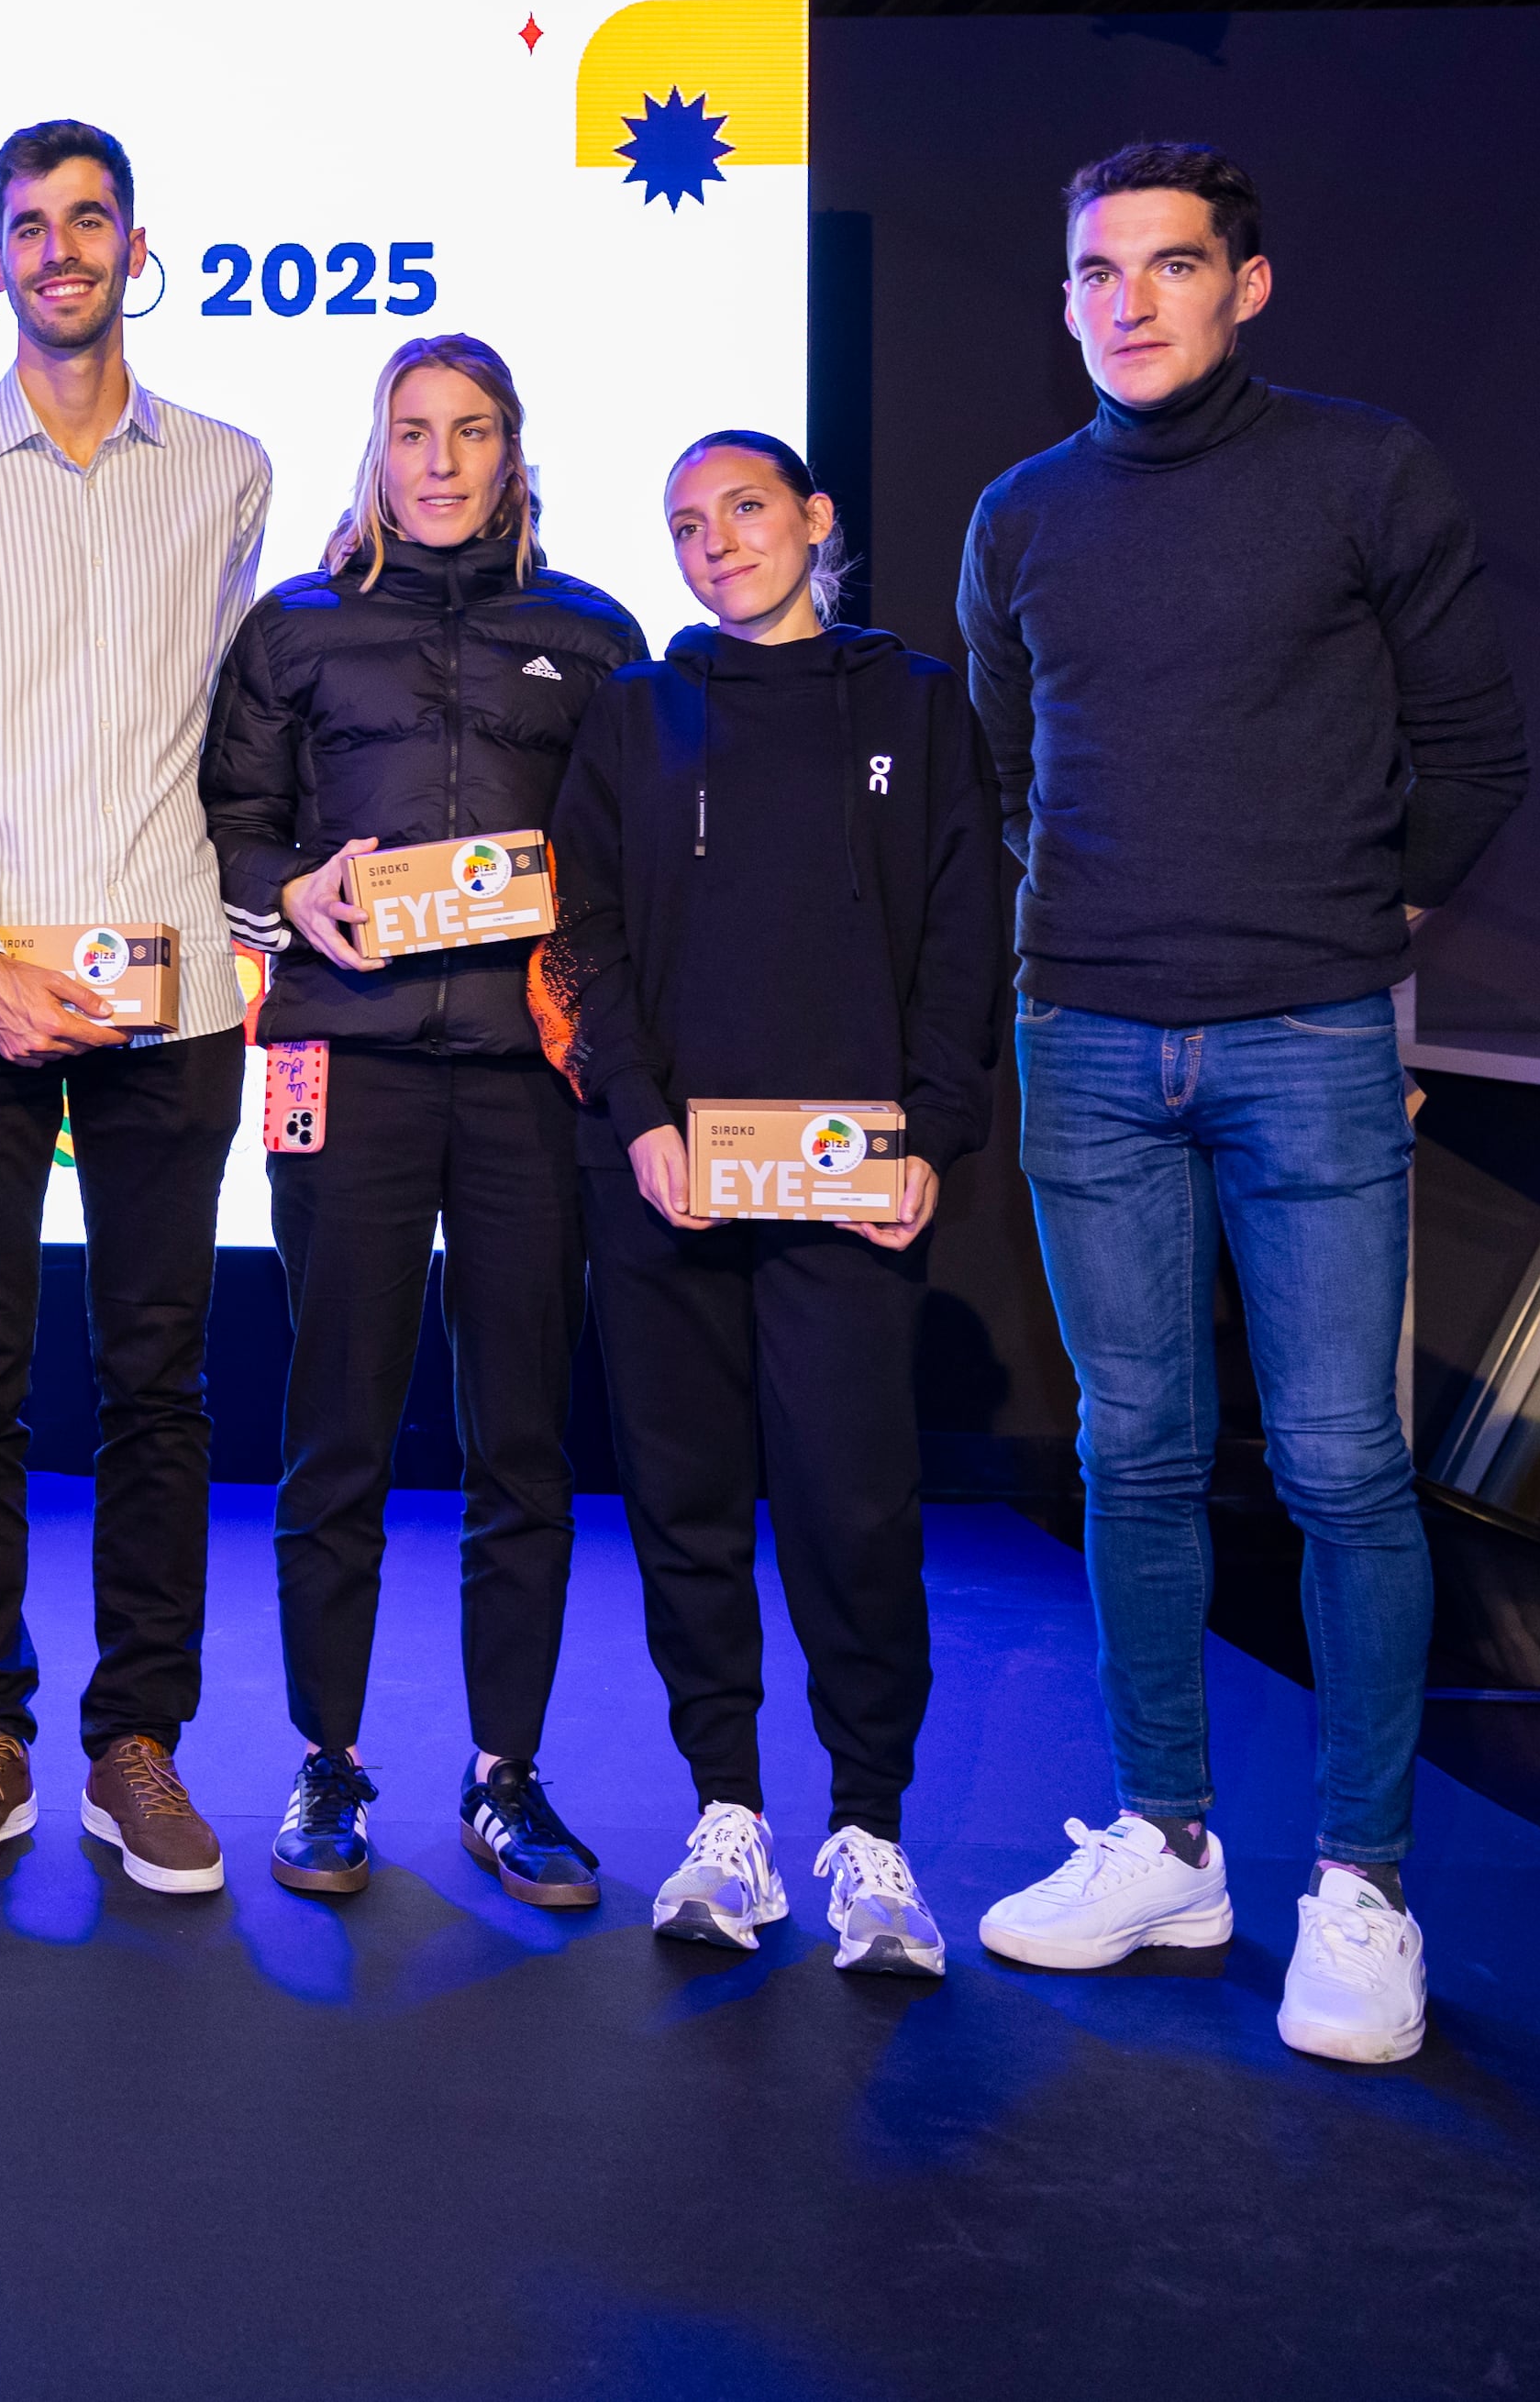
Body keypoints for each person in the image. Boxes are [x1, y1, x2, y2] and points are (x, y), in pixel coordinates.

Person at [959, 142, 1525, 2066]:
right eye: (1095, 270)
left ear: (1246, 286)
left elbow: (1472, 751)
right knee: (1129, 1453)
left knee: (1342, 1469)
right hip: (1087, 1041)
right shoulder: (1019, 516)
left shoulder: (1365, 471)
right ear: (1065, 301)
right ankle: (1167, 1844)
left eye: (1170, 264)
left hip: (1308, 1037)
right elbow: (1006, 772)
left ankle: (1360, 1888)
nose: (1127, 298)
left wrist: (1342, 927)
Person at [0, 117, 271, 1898]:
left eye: (86, 218)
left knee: (157, 1380)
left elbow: (256, 746)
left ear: (134, 245)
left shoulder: (232, 473)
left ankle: (136, 1740)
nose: (58, 247)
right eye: (28, 224)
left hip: (174, 998)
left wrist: (250, 923)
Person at [534, 430, 1001, 1975]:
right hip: (663, 1181)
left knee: (856, 1509)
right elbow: (587, 941)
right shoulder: (635, 713)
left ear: (814, 520)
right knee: (681, 1507)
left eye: (744, 509)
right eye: (685, 524)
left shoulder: (922, 707)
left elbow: (958, 934)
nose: (715, 543)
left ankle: (868, 1832)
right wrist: (644, 1118)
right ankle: (725, 1817)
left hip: (849, 1190)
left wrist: (933, 1131)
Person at [201, 335, 644, 1908]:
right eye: (412, 433)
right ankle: (327, 1765)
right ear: (375, 451)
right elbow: (231, 824)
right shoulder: (296, 628)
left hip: (534, 1086)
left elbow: (633, 855)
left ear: (514, 450)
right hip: (351, 1067)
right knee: (337, 1431)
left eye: (470, 432)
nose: (441, 461)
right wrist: (283, 894)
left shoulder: (592, 636)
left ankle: (507, 1774)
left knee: (523, 1436)